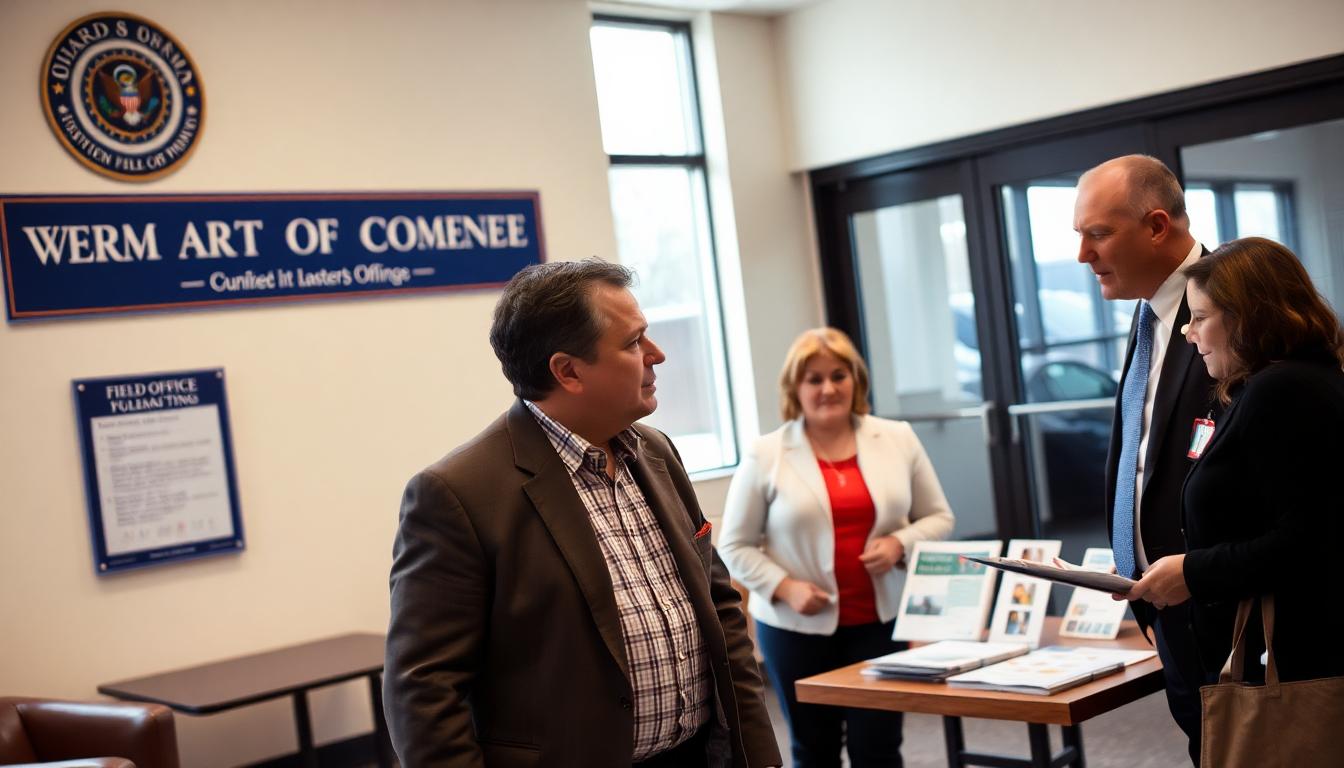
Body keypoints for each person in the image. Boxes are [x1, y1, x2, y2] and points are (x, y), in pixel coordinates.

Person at [384, 260, 781, 768]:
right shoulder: (457, 494)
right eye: (633, 343)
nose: (657, 354)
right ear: (568, 371)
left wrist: (759, 754)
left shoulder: (656, 452)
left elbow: (720, 611)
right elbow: (423, 692)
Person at [719, 327, 955, 768]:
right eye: (814, 379)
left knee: (878, 748)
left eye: (839, 375)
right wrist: (785, 587)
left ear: (856, 380)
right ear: (795, 388)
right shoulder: (766, 453)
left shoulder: (898, 437)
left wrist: (899, 542)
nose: (828, 388)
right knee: (814, 750)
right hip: (795, 628)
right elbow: (734, 544)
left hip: (879, 623)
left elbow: (939, 517)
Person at [1128, 237, 1344, 689]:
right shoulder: (1276, 383)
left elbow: (1308, 540)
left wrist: (1191, 573)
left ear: (1247, 316)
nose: (1188, 333)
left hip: (1294, 662)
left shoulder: (1283, 390)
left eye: (1200, 317)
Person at [1073, 154, 1214, 763]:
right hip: (1167, 608)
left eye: (1098, 234)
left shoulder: (1233, 305)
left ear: (1157, 226)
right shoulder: (1148, 310)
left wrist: (1200, 573)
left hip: (1233, 613)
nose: (1083, 255)